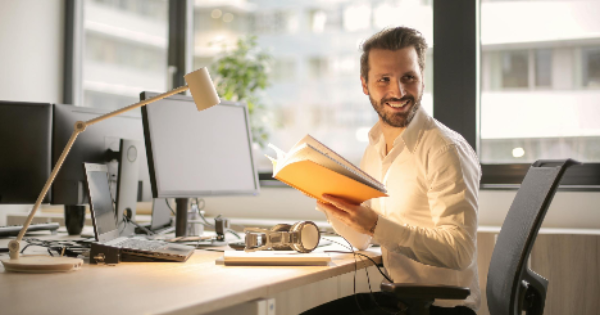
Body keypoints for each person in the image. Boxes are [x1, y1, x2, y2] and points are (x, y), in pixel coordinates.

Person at [302, 27, 481, 315]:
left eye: (408, 78)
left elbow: (459, 251)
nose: (397, 91)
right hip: (402, 300)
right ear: (365, 85)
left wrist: (375, 224)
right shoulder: (374, 147)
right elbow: (361, 240)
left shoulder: (445, 150)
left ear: (422, 79)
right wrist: (331, 203)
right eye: (383, 79)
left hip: (444, 308)